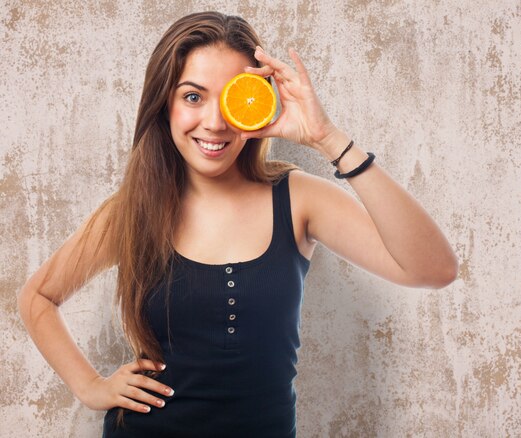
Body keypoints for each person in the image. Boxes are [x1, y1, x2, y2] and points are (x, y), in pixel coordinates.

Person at [17, 11, 458, 438]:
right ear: (164, 104)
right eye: (193, 96)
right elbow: (38, 296)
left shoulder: (298, 197)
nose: (215, 122)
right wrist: (90, 387)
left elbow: (433, 269)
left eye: (232, 97)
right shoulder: (131, 211)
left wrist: (328, 138)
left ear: (255, 102)